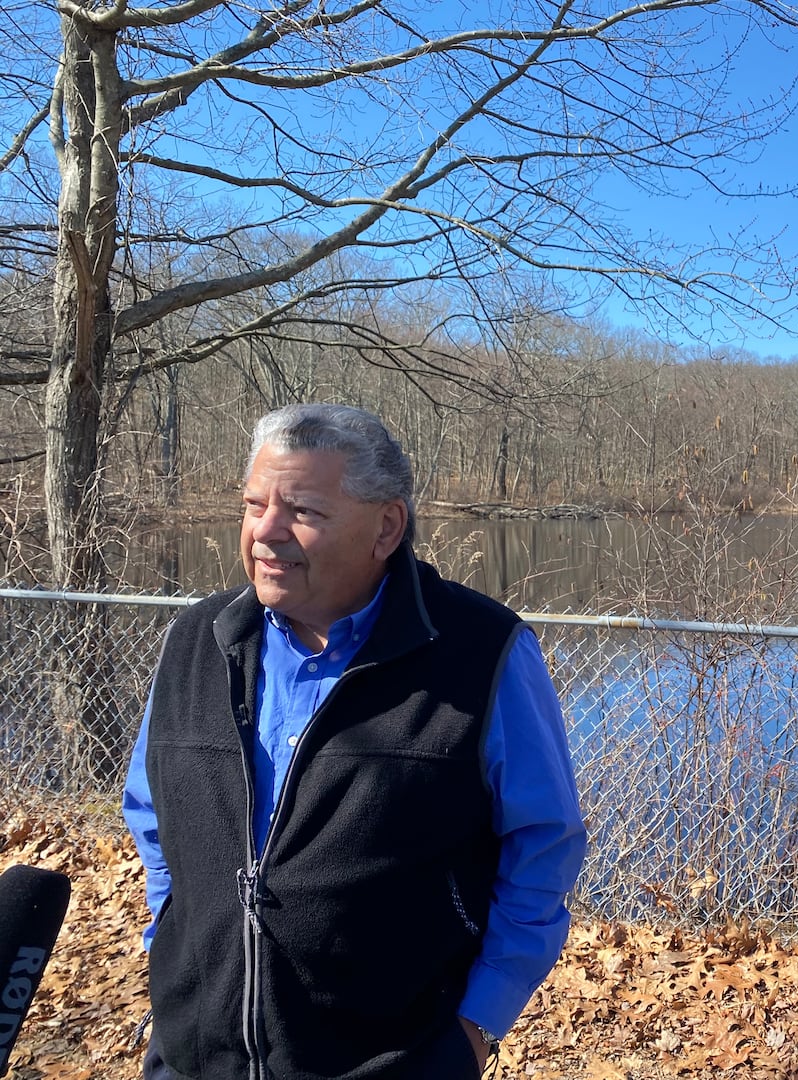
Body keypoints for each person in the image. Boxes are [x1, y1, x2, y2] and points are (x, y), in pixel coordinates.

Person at [122, 403, 586, 1080]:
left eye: (303, 511)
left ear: (386, 527)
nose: (265, 532)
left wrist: (478, 1022)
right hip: (196, 1053)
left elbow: (545, 844)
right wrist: (177, 940)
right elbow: (152, 811)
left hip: (396, 1059)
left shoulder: (480, 652)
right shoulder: (195, 642)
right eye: (255, 505)